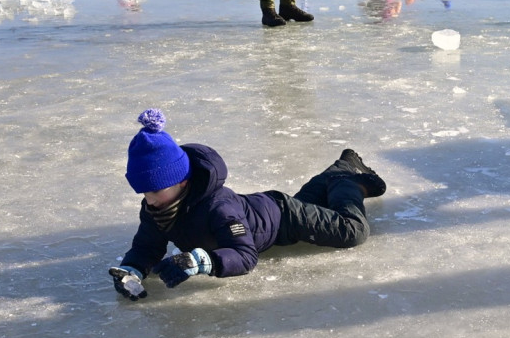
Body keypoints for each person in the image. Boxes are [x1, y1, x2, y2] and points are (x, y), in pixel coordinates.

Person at [108, 109, 386, 301]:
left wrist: (202, 261)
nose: (150, 200)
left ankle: (347, 182)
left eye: (155, 190)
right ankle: (337, 170)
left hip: (286, 218)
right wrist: (132, 270)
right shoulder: (157, 208)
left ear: (182, 181)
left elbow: (245, 254)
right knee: (310, 202)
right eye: (143, 193)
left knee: (353, 232)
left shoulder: (218, 206)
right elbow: (147, 247)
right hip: (267, 208)